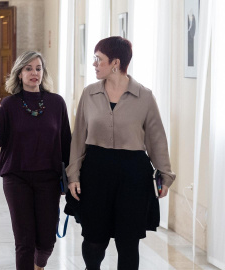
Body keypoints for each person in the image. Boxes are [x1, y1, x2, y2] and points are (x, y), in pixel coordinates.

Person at [66, 36, 176, 270]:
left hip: (133, 175)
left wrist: (165, 175)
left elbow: (156, 138)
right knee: (94, 240)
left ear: (115, 63)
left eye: (99, 59)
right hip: (95, 171)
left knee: (128, 242)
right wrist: (73, 174)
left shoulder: (144, 96)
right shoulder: (89, 94)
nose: (94, 64)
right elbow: (78, 138)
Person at [0, 51, 71, 270]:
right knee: (24, 241)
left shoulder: (56, 103)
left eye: (38, 68)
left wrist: (72, 177)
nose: (34, 73)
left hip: (49, 179)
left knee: (46, 240)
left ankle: (38, 265)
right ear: (19, 74)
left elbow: (66, 143)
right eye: (28, 69)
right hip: (16, 178)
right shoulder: (9, 105)